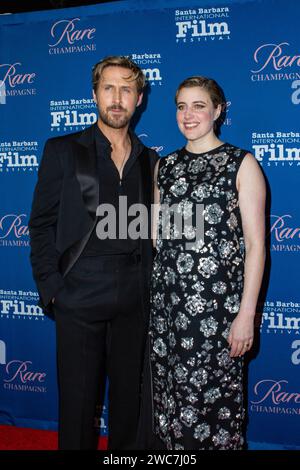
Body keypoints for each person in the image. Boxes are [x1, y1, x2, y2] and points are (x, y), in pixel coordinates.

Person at [29, 56, 157, 450]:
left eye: (126, 89)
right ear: (94, 95)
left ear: (138, 99)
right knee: (78, 404)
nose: (116, 98)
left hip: (134, 295)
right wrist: (53, 287)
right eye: (108, 88)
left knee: (128, 406)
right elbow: (41, 224)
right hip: (79, 293)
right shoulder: (64, 150)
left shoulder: (151, 161)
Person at [145, 76, 266, 450]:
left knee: (216, 408)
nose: (188, 114)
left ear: (218, 110)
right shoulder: (164, 166)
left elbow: (256, 247)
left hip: (217, 313)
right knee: (171, 406)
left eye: (198, 105)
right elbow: (156, 236)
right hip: (168, 310)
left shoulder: (241, 164)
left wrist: (246, 315)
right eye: (181, 106)